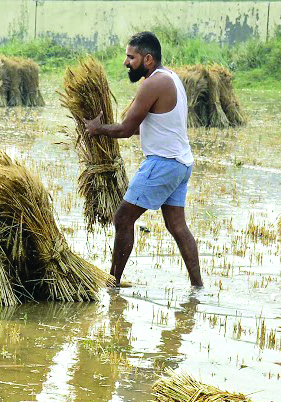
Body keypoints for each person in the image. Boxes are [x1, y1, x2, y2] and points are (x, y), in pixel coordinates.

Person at [84, 31, 202, 288]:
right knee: (177, 226)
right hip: (181, 163)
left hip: (163, 164)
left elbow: (126, 130)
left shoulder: (152, 84)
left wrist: (97, 129)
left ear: (148, 59)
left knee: (123, 218)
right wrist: (108, 127)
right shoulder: (171, 78)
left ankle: (112, 282)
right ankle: (198, 287)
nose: (126, 62)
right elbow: (142, 126)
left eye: (131, 57)